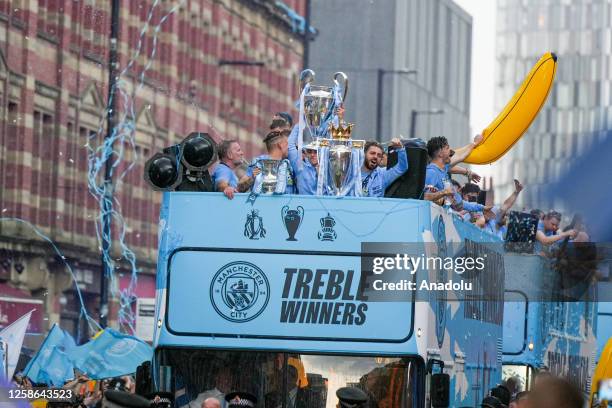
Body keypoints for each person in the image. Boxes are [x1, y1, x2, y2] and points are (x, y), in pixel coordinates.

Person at [424, 134, 483, 203]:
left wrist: (475, 143)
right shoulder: (431, 172)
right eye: (447, 148)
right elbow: (424, 197)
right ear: (440, 154)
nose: (451, 151)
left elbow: (460, 156)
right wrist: (443, 193)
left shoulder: (443, 169)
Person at [247, 129, 296, 194]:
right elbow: (241, 186)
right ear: (280, 145)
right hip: (263, 203)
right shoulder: (258, 163)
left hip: (288, 204)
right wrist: (251, 179)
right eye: (287, 144)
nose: (289, 147)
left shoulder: (288, 165)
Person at [287, 125, 318, 195]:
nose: (312, 155)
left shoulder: (327, 170)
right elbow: (290, 145)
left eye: (316, 152)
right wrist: (300, 123)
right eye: (309, 152)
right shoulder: (301, 167)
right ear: (306, 154)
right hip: (304, 204)